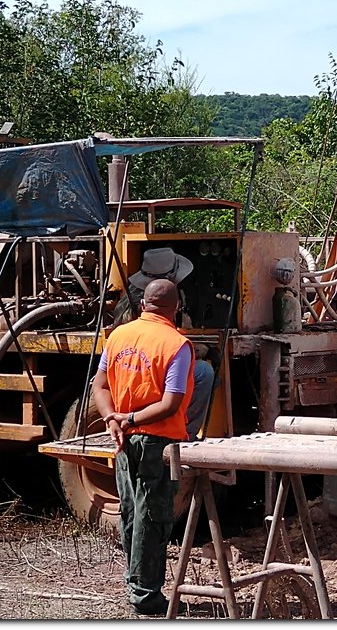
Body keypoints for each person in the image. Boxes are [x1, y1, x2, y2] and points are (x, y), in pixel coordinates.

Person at [93, 278, 194, 615]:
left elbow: (99, 386)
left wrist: (112, 419)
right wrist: (130, 419)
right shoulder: (177, 344)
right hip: (158, 442)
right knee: (152, 516)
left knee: (131, 512)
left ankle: (135, 584)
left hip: (124, 439)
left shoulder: (118, 336)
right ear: (177, 308)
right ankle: (146, 596)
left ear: (142, 305)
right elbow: (170, 403)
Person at [113, 246, 214, 440]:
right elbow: (169, 343)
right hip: (150, 368)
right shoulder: (153, 303)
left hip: (133, 366)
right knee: (204, 373)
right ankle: (185, 434)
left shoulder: (128, 298)